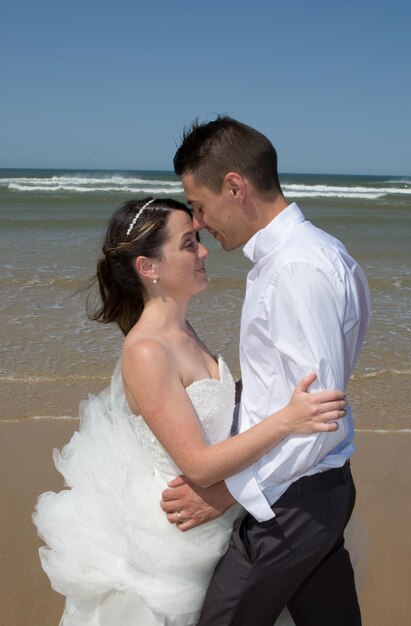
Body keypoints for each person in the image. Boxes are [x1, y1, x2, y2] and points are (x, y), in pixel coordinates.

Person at [33, 197, 347, 626]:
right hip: (177, 532)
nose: (203, 251)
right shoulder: (146, 350)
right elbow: (198, 466)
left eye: (198, 239)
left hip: (219, 514)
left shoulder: (183, 329)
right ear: (149, 267)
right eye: (188, 244)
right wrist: (287, 420)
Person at [160, 116, 371, 626]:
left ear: (235, 186)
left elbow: (316, 421)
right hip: (312, 493)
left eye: (200, 205)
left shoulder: (296, 268)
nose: (200, 221)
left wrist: (226, 491)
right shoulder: (317, 253)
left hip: (290, 503)